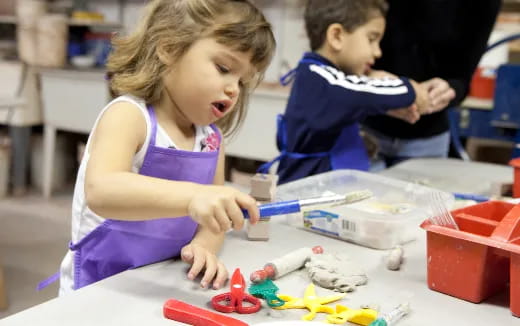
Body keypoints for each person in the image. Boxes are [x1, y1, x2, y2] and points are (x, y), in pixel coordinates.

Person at [58, 0, 275, 295]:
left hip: (163, 281)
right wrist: (194, 196)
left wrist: (204, 246)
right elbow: (102, 190)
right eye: (223, 68)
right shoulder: (129, 116)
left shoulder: (211, 139)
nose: (233, 88)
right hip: (99, 285)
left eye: (243, 81)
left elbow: (215, 219)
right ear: (169, 48)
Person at [270, 0, 429, 185]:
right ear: (336, 36)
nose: (378, 52)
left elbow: (352, 99)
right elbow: (360, 94)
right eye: (371, 39)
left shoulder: (327, 77)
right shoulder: (321, 78)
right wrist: (410, 89)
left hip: (331, 193)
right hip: (307, 197)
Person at [362, 0, 502, 167]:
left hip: (428, 136)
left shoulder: (483, 4)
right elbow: (335, 56)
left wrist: (448, 90)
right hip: (362, 129)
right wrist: (368, 80)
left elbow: (463, 78)